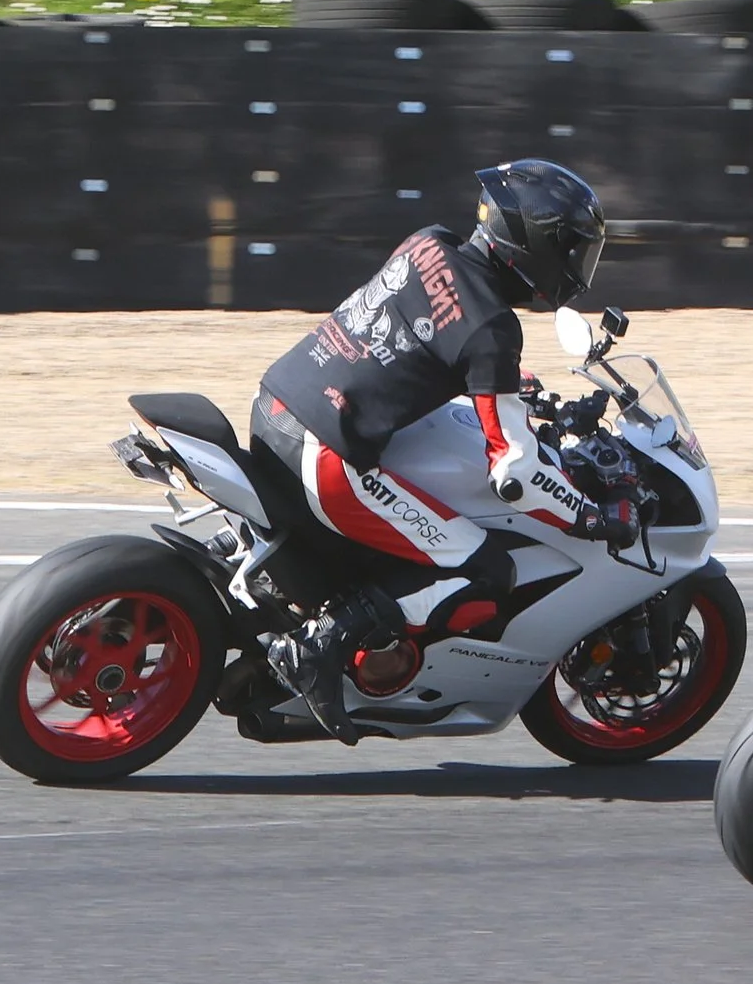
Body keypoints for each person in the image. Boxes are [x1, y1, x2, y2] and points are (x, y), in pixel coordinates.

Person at [251, 159, 630, 742]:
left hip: (276, 407)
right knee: (486, 566)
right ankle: (319, 646)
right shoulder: (493, 331)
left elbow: (417, 336)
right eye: (572, 250)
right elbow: (517, 475)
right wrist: (589, 516)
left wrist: (510, 383)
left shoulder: (430, 243)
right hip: (327, 459)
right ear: (535, 244)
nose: (578, 267)